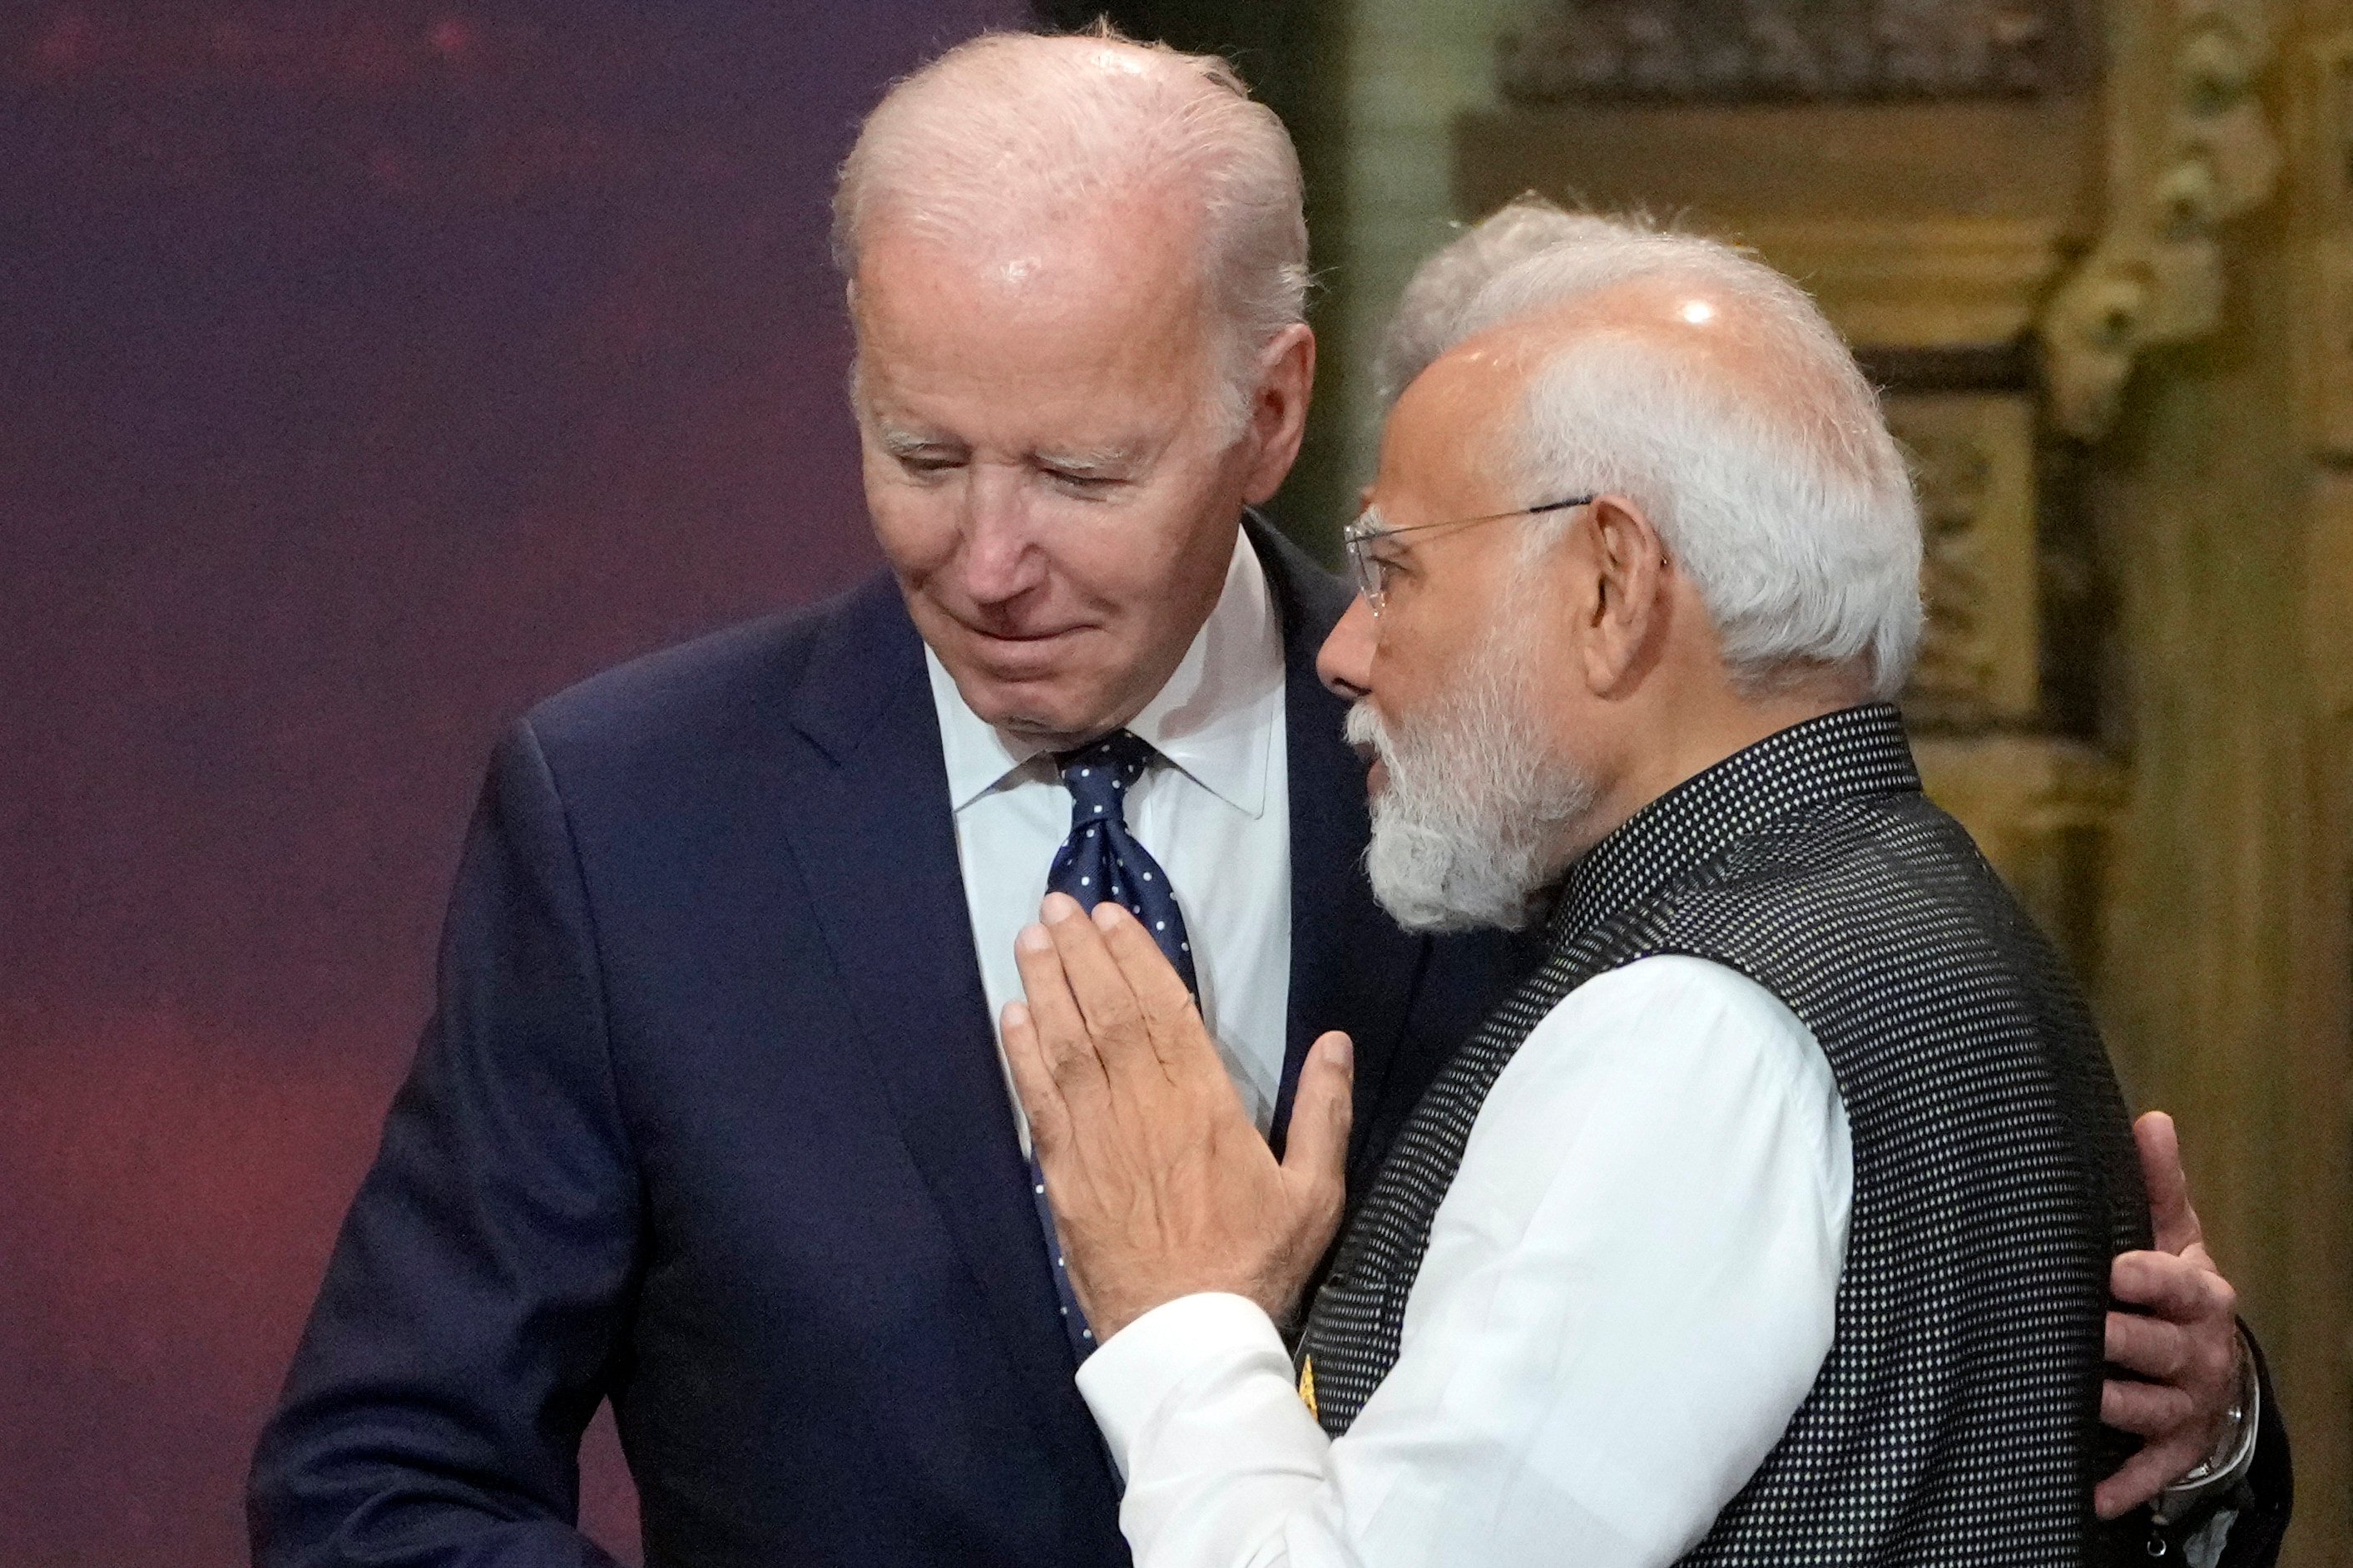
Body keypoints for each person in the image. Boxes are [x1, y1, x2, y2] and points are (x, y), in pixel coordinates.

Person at [247, 32, 2267, 1568]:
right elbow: (375, 1485)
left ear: (1269, 410)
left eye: (1085, 469)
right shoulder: (629, 822)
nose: (991, 554)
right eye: (923, 452)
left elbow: (1874, 1371)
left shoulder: (1524, 797)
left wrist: (2191, 1433)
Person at [1000, 217, 2287, 1567]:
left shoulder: (1694, 1026)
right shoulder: (1912, 902)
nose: (1348, 648)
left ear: (1612, 584)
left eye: (1395, 569)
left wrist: (1185, 1316)